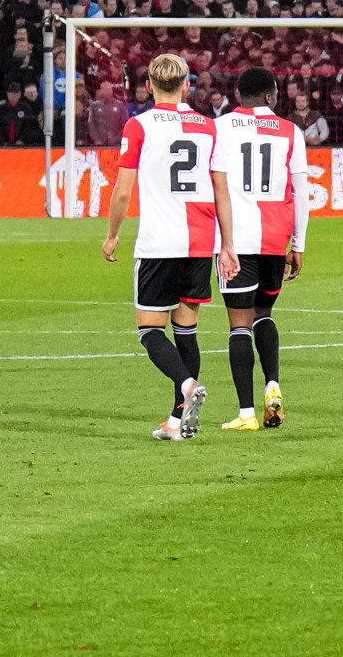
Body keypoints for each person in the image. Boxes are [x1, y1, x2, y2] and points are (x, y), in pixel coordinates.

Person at [100, 54, 219, 439]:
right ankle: (176, 422)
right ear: (188, 85)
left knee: (150, 330)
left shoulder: (138, 126)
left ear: (148, 86)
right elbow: (221, 186)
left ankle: (186, 387)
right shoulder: (208, 127)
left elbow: (122, 190)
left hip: (159, 243)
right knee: (186, 330)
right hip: (201, 240)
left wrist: (112, 233)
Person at [213, 65, 310, 432]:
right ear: (271, 96)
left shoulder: (219, 128)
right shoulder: (291, 131)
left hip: (234, 240)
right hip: (275, 238)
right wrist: (298, 244)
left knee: (239, 325)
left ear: (240, 95)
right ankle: (272, 384)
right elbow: (301, 193)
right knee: (263, 314)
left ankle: (245, 413)